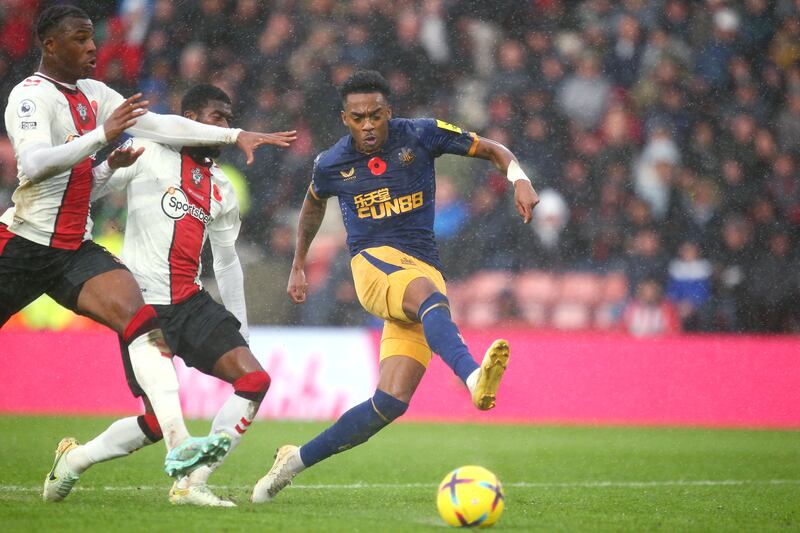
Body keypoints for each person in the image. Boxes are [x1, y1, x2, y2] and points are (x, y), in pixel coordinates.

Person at [0, 5, 294, 498]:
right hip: (25, 242)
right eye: (79, 39)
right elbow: (32, 166)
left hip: (75, 248)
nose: (93, 47)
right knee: (147, 339)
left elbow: (156, 124)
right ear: (50, 45)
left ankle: (181, 450)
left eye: (93, 38)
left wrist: (234, 135)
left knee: (142, 320)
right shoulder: (29, 97)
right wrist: (104, 142)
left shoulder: (96, 95)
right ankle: (87, 457)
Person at [251, 70, 539, 503]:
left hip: (420, 273)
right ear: (344, 119)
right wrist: (298, 264)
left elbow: (493, 150)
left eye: (375, 115)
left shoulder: (422, 134)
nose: (368, 125)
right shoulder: (331, 163)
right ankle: (473, 376)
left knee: (390, 403)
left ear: (389, 112)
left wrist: (519, 177)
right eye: (357, 117)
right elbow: (312, 205)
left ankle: (294, 460)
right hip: (373, 266)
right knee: (428, 294)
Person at [47, 84, 272, 507]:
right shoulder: (148, 151)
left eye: (228, 117)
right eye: (216, 117)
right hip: (141, 307)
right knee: (154, 422)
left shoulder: (222, 187)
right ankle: (74, 460)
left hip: (191, 304)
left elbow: (226, 263)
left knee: (254, 379)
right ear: (188, 119)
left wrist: (241, 328)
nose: (225, 126)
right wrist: (110, 166)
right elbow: (86, 192)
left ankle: (193, 482)